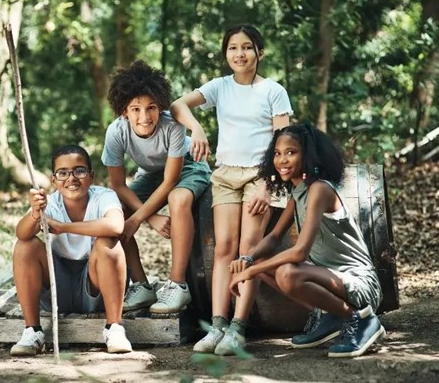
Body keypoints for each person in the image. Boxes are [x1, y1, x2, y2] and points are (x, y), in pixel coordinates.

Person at [170, 24, 293, 355]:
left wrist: (269, 185)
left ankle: (238, 329)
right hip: (225, 174)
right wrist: (196, 129)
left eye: (247, 47)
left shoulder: (273, 91)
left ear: (259, 53)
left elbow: (283, 143)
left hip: (260, 176)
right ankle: (218, 325)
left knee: (247, 249)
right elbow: (178, 105)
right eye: (233, 48)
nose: (240, 54)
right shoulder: (220, 87)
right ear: (226, 54)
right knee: (223, 248)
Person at [228, 123, 385, 358]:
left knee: (287, 274)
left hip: (359, 283)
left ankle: (360, 319)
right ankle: (328, 315)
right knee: (261, 265)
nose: (282, 160)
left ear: (308, 155)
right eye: (278, 153)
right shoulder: (298, 192)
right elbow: (273, 237)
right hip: (330, 279)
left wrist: (248, 272)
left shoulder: (319, 189)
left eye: (291, 152)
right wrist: (247, 259)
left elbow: (300, 252)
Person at [101, 60, 212, 314]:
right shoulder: (116, 132)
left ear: (160, 106)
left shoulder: (172, 126)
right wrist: (148, 217)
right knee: (116, 211)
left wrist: (140, 217)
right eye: (136, 109)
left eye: (151, 108)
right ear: (123, 111)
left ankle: (178, 285)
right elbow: (117, 185)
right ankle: (141, 286)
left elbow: (171, 181)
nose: (144, 116)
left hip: (189, 167)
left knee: (178, 199)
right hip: (151, 175)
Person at [10, 144, 132, 356]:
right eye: (63, 173)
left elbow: (115, 226)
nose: (71, 178)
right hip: (58, 287)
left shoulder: (104, 196)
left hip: (95, 285)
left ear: (91, 176)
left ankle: (114, 328)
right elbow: (21, 233)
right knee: (25, 245)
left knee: (108, 243)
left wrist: (63, 227)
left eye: (80, 171)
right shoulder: (49, 202)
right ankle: (33, 331)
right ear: (53, 180)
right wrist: (35, 213)